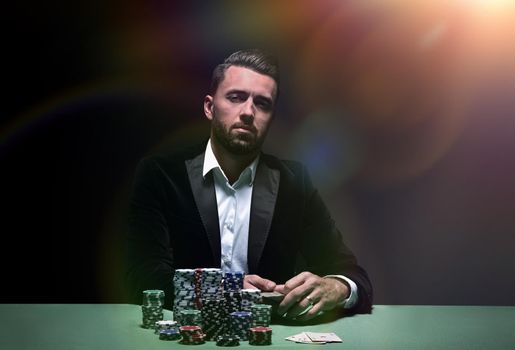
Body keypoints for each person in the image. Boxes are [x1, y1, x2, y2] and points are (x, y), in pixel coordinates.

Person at [126, 49, 372, 321]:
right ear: (209, 107)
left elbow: (352, 274)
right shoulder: (161, 175)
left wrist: (336, 287)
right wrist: (224, 290)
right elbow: (143, 274)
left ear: (271, 118)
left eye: (263, 104)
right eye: (236, 97)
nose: (248, 112)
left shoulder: (294, 182)